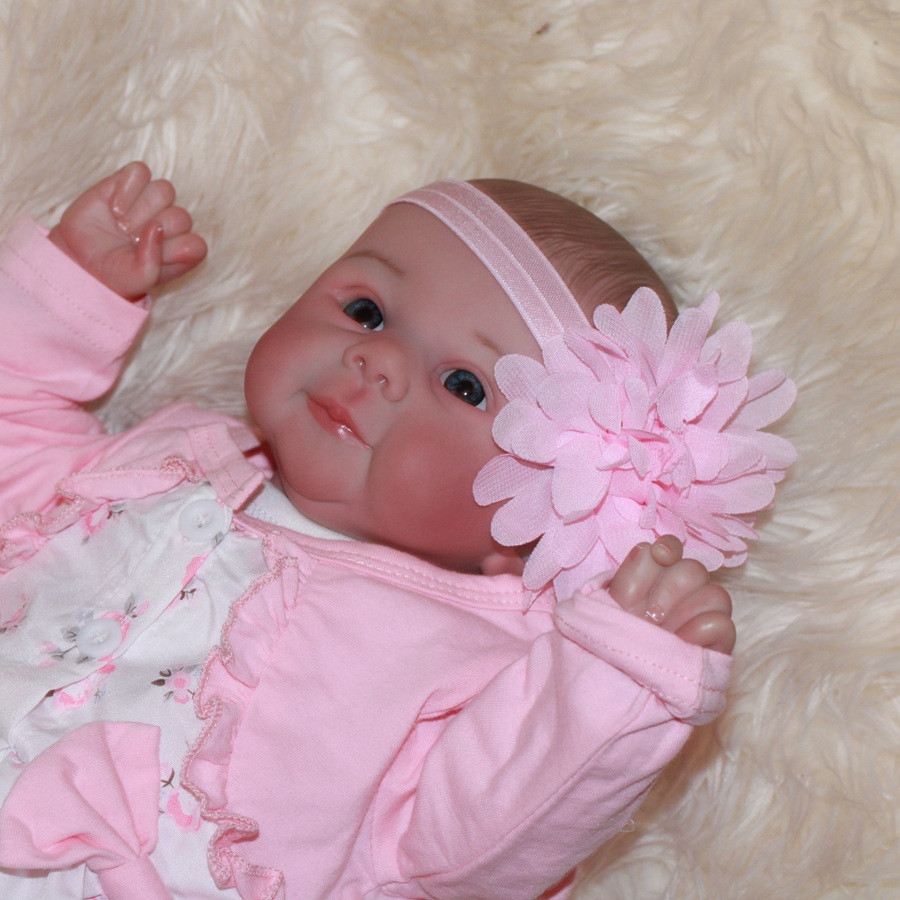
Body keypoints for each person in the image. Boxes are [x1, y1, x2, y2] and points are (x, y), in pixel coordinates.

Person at [0, 163, 794, 898]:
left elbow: (479, 844)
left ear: (549, 518)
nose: (376, 360)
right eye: (366, 311)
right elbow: (18, 442)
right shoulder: (173, 456)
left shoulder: (473, 661)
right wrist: (69, 298)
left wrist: (617, 674)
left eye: (464, 385)